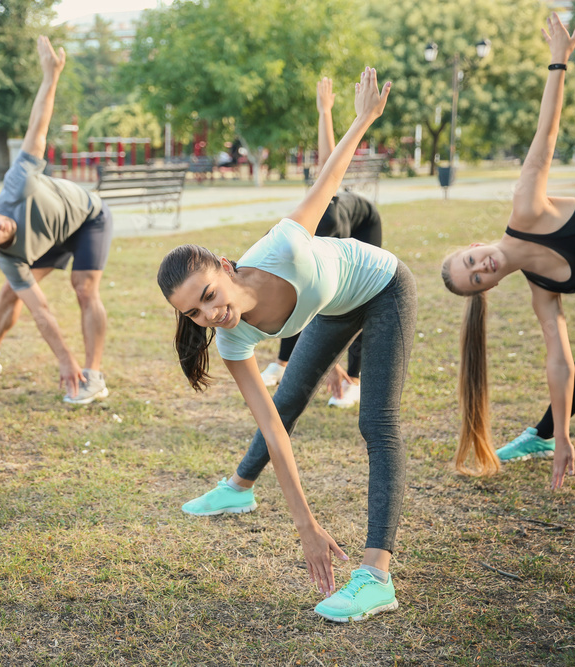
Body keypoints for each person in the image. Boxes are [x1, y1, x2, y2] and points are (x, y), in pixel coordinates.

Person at [159, 68, 415, 623]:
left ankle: (375, 577)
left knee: (378, 424)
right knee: (289, 399)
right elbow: (273, 429)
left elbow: (329, 178)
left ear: (225, 268)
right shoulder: (230, 339)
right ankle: (239, 488)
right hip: (333, 306)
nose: (210, 314)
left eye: (208, 294)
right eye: (194, 313)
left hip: (384, 286)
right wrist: (307, 526)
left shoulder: (282, 248)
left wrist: (363, 117)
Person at [440, 15, 575, 491]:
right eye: (477, 279)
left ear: (476, 247)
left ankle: (541, 433)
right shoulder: (541, 290)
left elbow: (545, 137)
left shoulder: (526, 209)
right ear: (487, 289)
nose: (482, 268)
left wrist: (558, 62)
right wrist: (565, 435)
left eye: (473, 261)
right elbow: (560, 360)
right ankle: (546, 435)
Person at [0, 36, 112, 405]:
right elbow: (41, 312)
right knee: (12, 291)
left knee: (85, 290)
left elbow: (37, 127)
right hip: (49, 238)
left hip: (88, 219)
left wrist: (49, 78)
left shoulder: (15, 187)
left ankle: (95, 375)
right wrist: (62, 358)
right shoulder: (9, 258)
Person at [260, 78, 385, 412]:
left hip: (363, 223)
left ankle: (353, 382)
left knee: (360, 304)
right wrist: (324, 110)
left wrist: (326, 112)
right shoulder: (297, 233)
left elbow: (331, 162)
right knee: (296, 290)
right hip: (331, 232)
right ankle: (284, 361)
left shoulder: (329, 223)